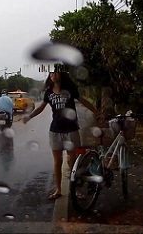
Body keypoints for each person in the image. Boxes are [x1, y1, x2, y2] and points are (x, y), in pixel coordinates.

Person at [22, 64, 102, 200]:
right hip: (55, 131)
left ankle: (75, 190)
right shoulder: (49, 92)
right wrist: (29, 117)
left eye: (56, 73)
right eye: (51, 73)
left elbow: (83, 101)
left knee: (72, 162)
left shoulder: (70, 89)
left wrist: (97, 113)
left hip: (71, 130)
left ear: (62, 74)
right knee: (57, 162)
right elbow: (41, 108)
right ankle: (58, 190)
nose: (53, 75)